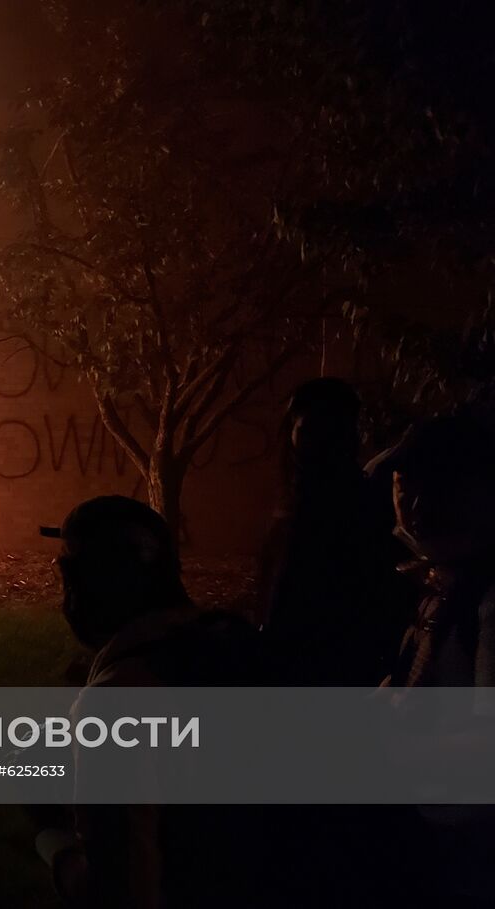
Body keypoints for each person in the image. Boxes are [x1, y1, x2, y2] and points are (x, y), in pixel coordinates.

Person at [35, 496, 268, 908]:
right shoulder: (240, 646)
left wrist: (53, 841)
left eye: (70, 576)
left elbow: (119, 891)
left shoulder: (118, 701)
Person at [381, 414, 495, 908]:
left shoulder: (487, 600)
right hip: (428, 840)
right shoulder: (442, 584)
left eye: (438, 488)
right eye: (404, 488)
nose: (414, 508)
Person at [258, 378, 415, 684]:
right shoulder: (293, 500)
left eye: (328, 430)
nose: (317, 442)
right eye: (307, 430)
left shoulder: (362, 504)